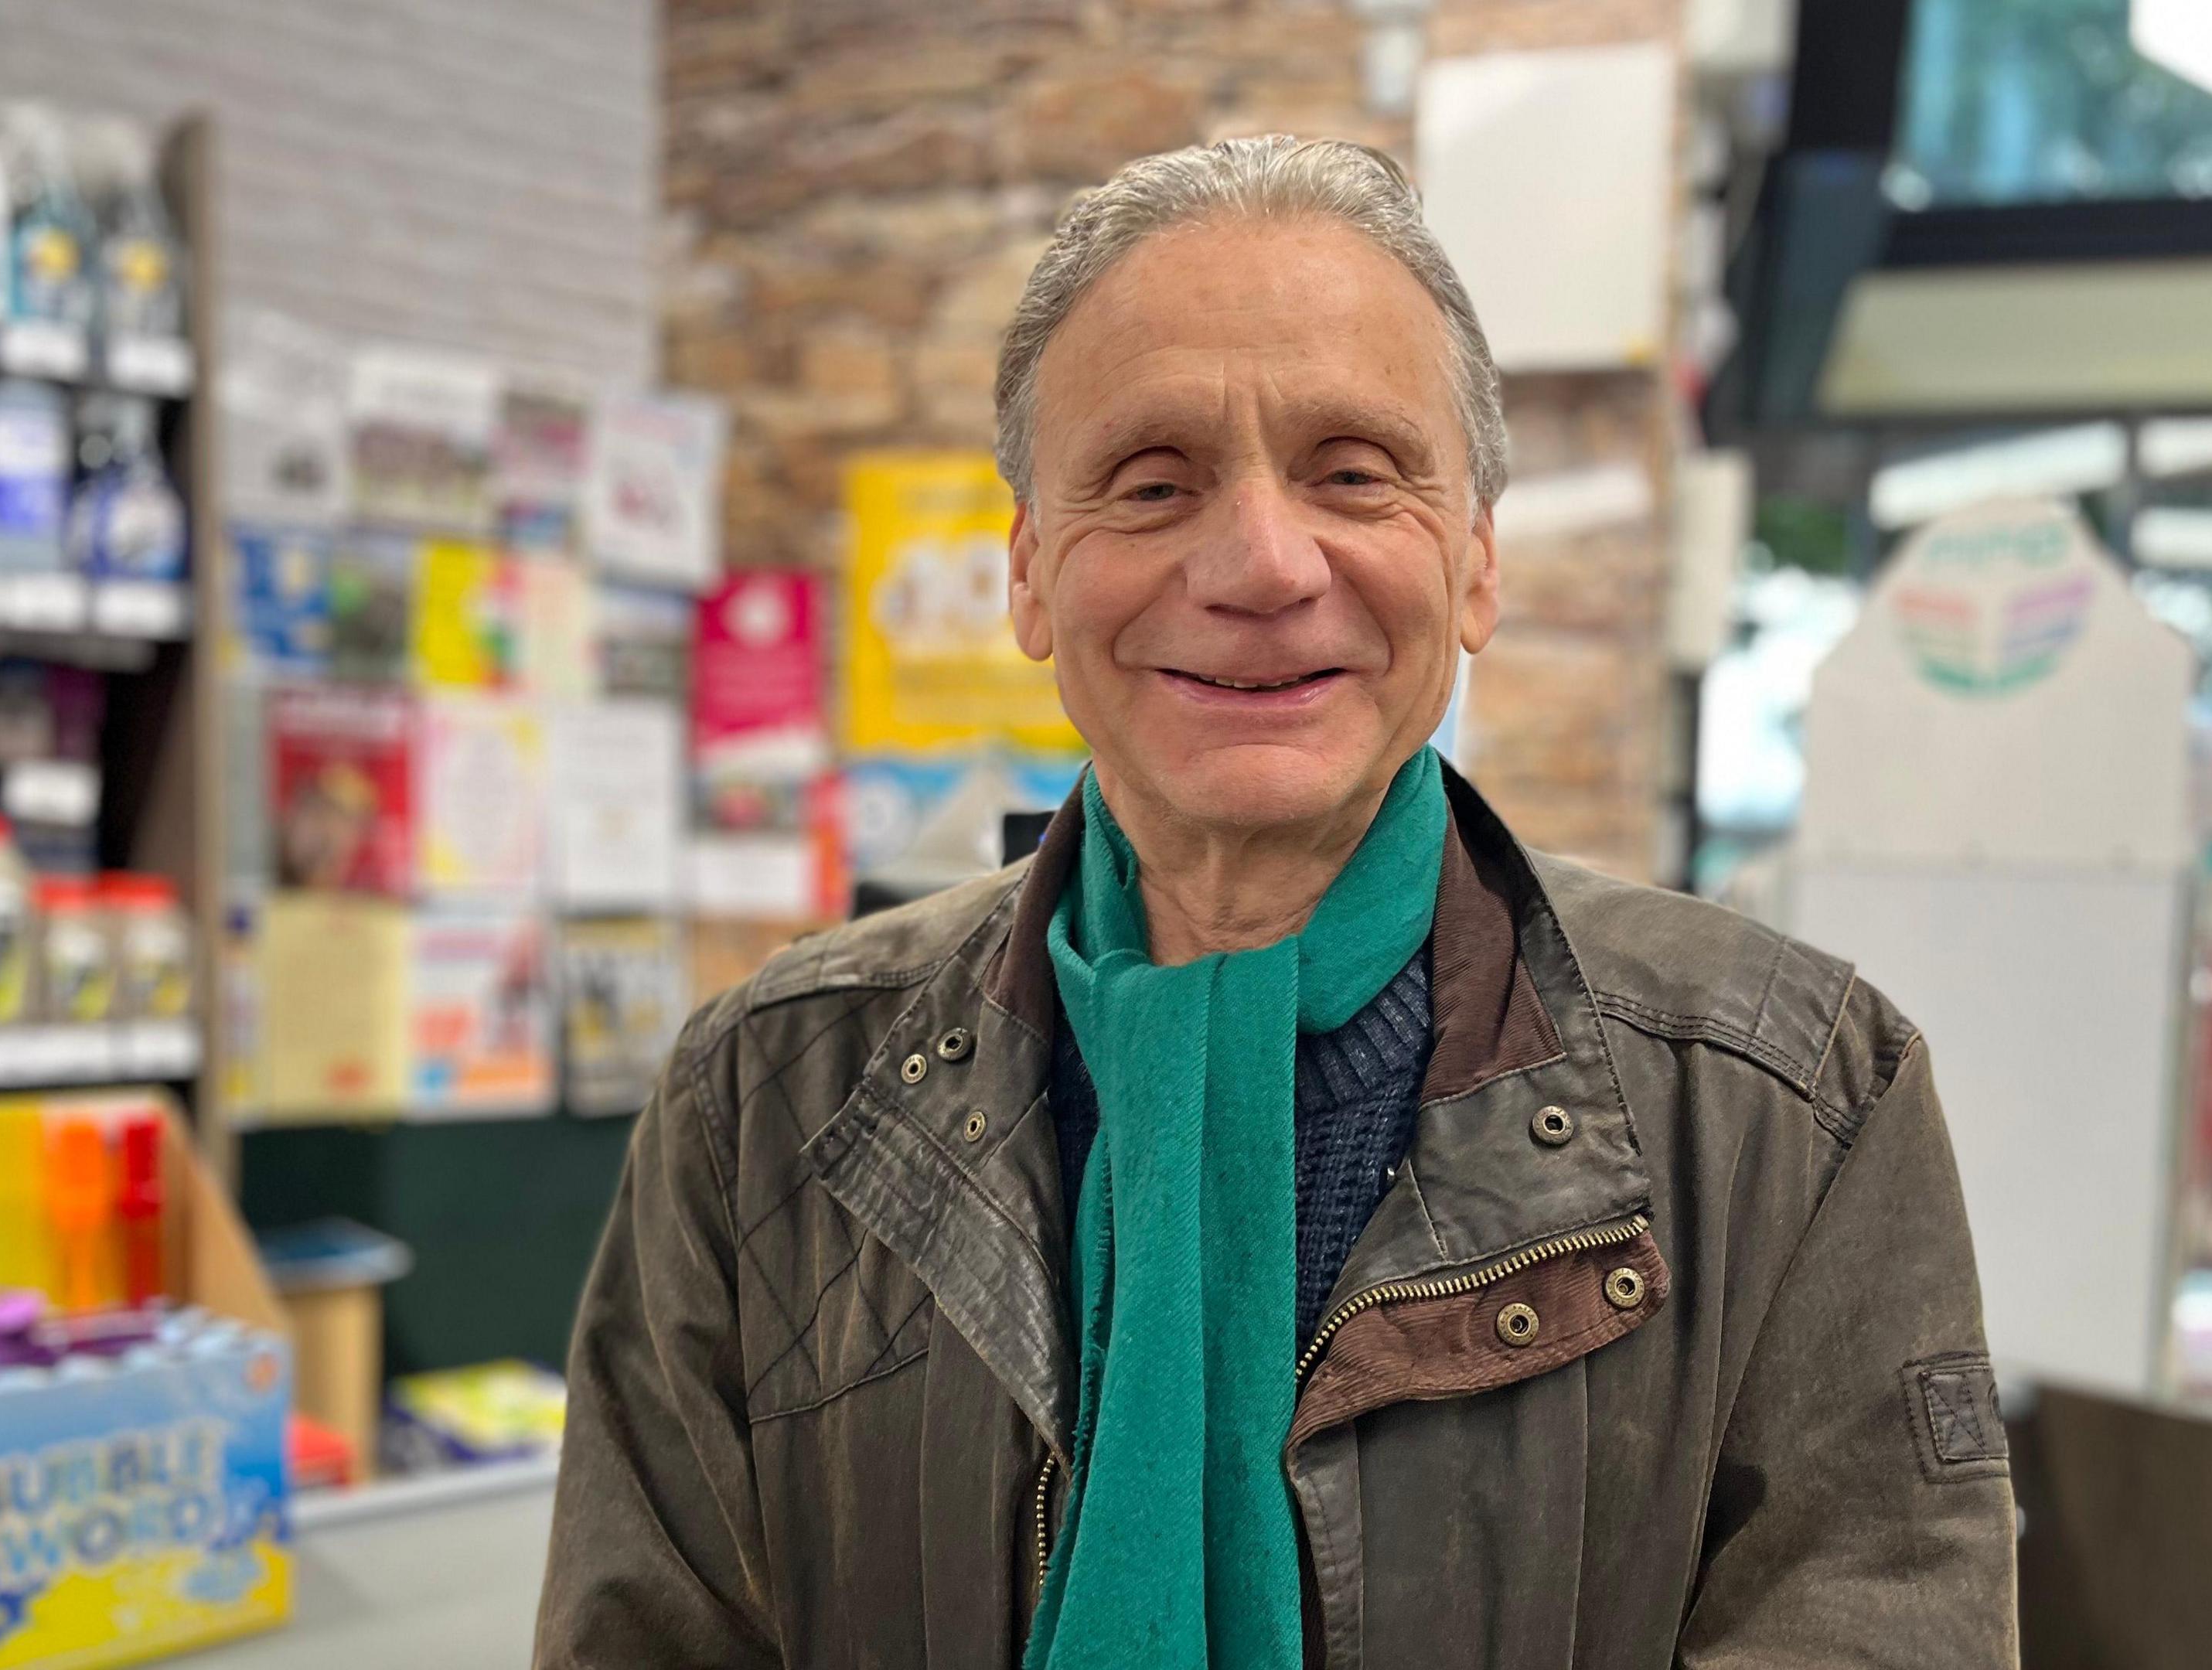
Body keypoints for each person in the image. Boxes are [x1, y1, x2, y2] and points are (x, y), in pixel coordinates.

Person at [535, 135, 2015, 1670]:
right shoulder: (762, 1098)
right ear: (1032, 573)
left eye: (1352, 474)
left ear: (1475, 561)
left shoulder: (1792, 1102)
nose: (1258, 561)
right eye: (1153, 482)